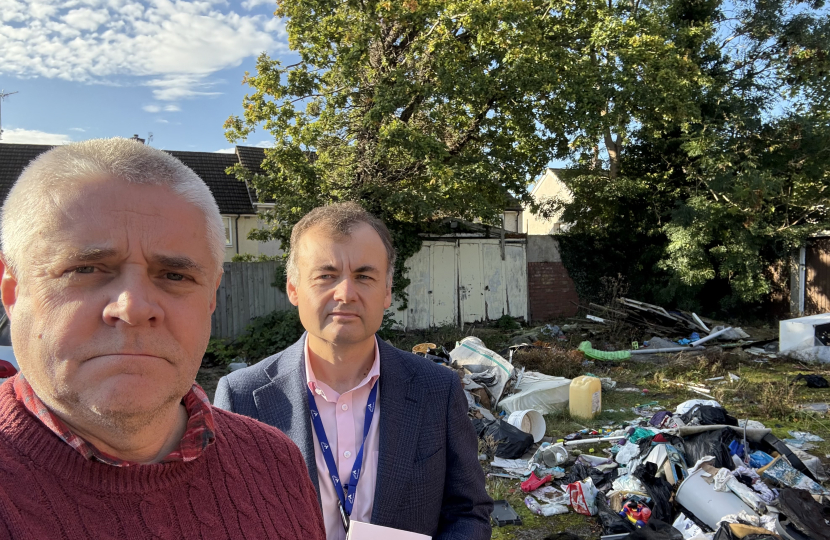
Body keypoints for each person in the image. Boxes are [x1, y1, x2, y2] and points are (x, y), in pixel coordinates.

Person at [0, 139, 325, 540]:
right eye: (86, 268)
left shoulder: (277, 464)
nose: (133, 307)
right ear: (12, 292)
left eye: (175, 276)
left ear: (211, 298)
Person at [215, 203, 493, 539]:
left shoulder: (437, 389)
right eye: (326, 276)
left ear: (387, 291)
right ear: (293, 289)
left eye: (364, 276)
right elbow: (225, 521)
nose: (345, 293)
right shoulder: (242, 396)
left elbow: (468, 512)